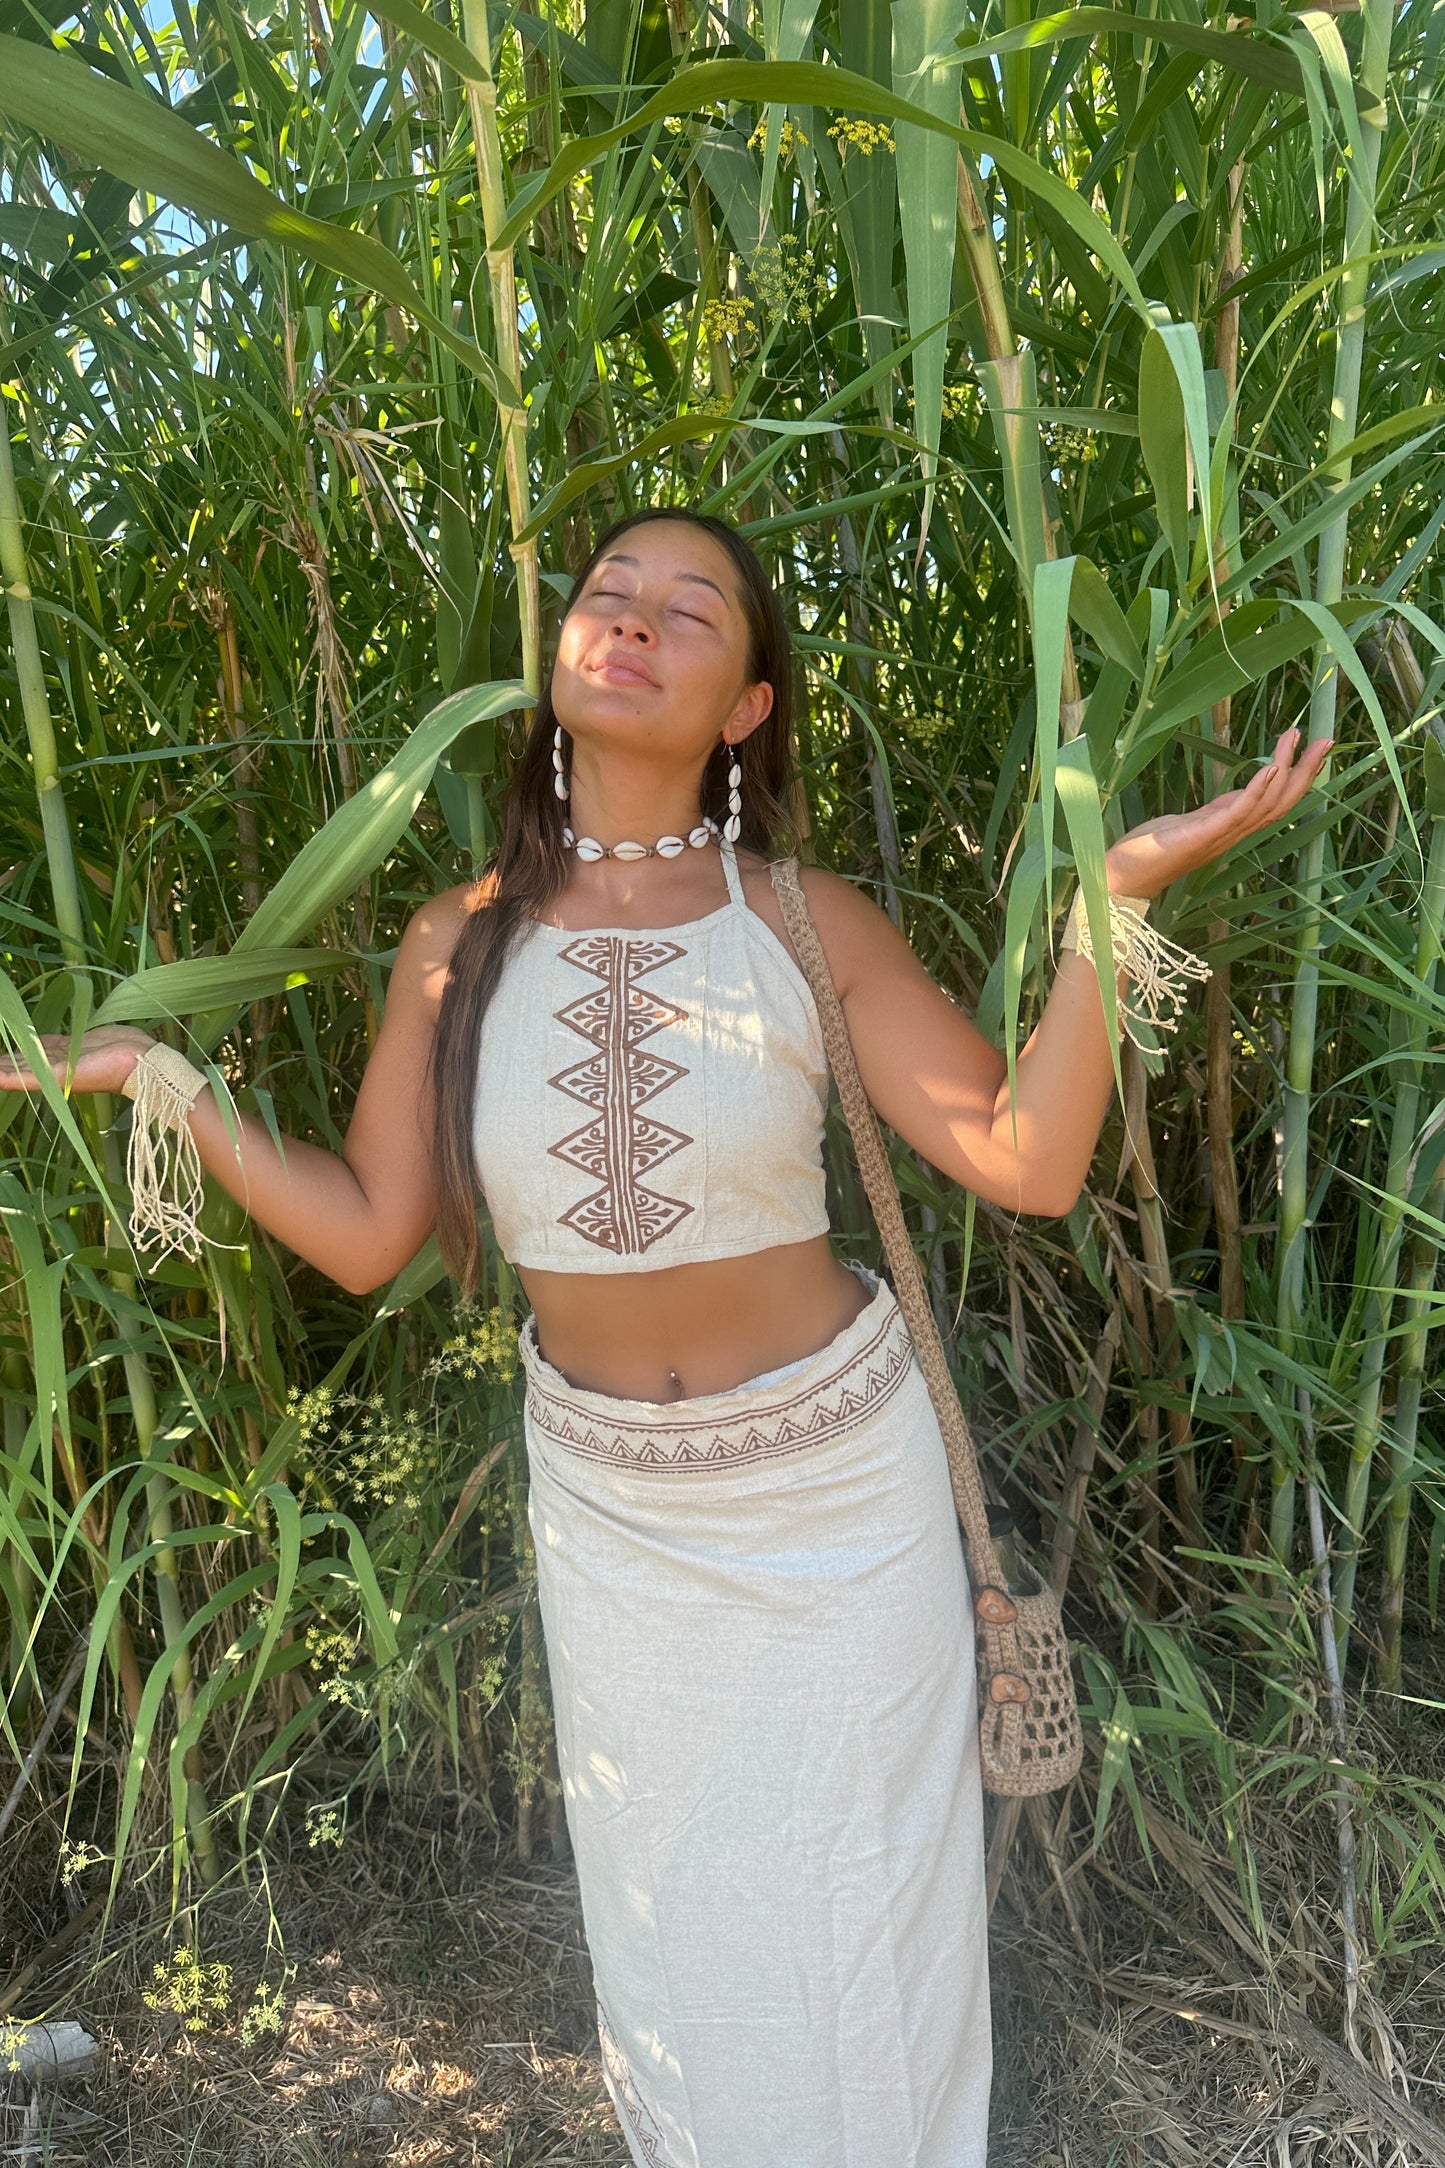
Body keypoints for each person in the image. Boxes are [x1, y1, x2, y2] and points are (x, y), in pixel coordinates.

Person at [1, 507, 1327, 2166]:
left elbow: (1027, 1159)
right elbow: (365, 1235)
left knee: (866, 1918)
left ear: (750, 704)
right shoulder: (456, 943)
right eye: (604, 597)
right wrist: (162, 1081)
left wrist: (1106, 904)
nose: (627, 624)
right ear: (556, 656)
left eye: (686, 612)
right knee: (671, 1923)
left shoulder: (801, 918)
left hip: (837, 1497)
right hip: (615, 1507)